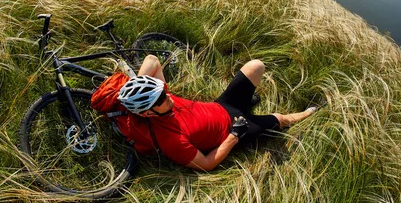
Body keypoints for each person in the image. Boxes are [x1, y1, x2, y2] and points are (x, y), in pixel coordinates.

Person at [117, 55, 318, 171]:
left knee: (256, 66)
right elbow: (206, 164)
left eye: (161, 91)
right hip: (237, 128)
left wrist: (140, 87)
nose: (167, 96)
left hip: (223, 105)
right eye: (160, 99)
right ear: (148, 114)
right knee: (281, 119)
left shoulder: (156, 101)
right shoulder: (171, 141)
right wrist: (234, 136)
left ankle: (247, 103)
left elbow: (152, 61)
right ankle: (311, 112)